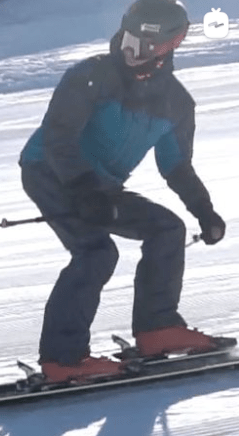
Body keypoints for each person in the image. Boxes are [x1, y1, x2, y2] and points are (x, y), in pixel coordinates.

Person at [19, 0, 230, 383]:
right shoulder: (92, 76)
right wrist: (84, 191)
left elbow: (176, 165)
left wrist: (203, 209)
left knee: (168, 229)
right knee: (96, 253)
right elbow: (58, 139)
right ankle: (63, 360)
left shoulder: (176, 104)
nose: (131, 52)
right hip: (49, 171)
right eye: (128, 40)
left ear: (168, 47)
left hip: (100, 186)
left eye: (144, 46)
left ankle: (157, 328)